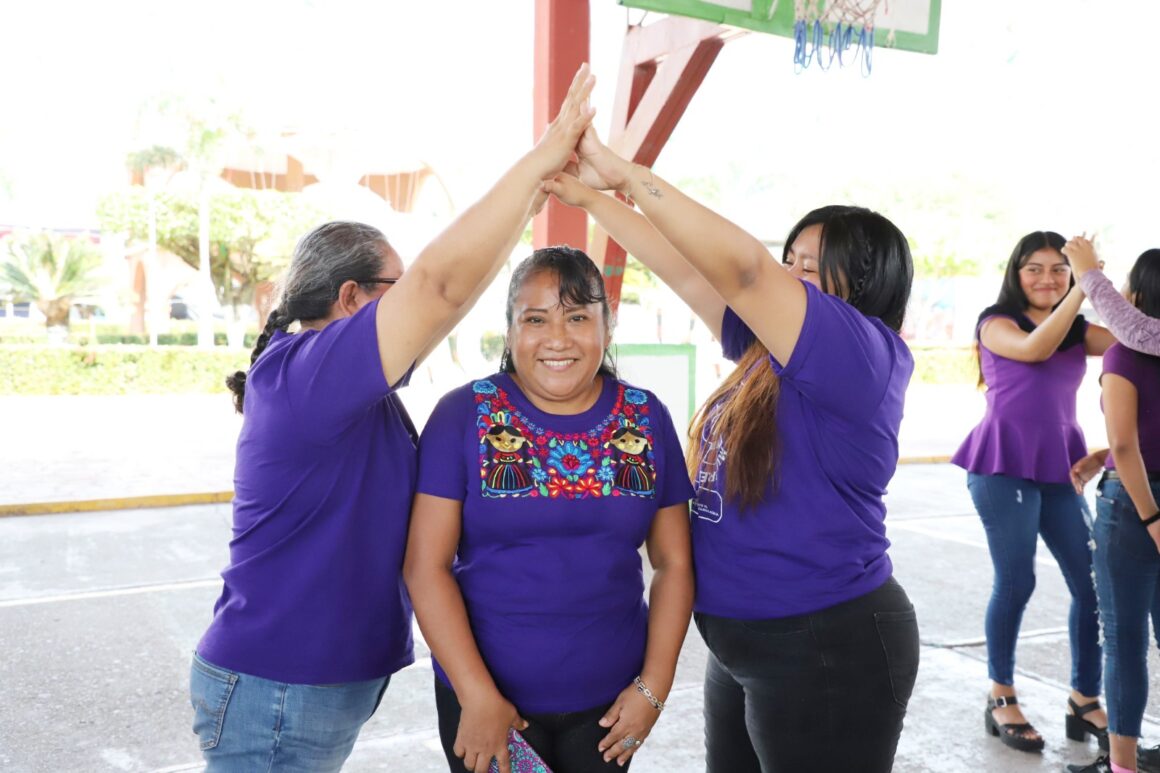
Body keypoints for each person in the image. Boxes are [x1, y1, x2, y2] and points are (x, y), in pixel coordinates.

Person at [187, 65, 597, 771]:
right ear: (351, 298)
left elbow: (449, 300)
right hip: (275, 692)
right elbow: (440, 288)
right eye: (394, 291)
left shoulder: (346, 386)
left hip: (302, 689)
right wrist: (537, 162)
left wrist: (531, 201)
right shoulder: (309, 376)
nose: (412, 306)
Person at [542, 127, 920, 772]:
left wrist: (629, 175)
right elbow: (687, 270)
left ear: (864, 281)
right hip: (744, 643)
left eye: (809, 264)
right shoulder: (770, 348)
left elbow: (743, 270)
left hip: (824, 641)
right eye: (788, 258)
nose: (789, 274)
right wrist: (592, 198)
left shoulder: (858, 352)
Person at [403, 246, 694, 773]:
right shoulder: (463, 414)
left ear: (607, 326)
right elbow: (425, 567)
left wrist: (654, 688)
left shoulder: (645, 417)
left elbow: (674, 563)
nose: (557, 339)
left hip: (610, 710)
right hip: (488, 705)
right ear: (510, 331)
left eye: (577, 317)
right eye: (535, 319)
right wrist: (476, 695)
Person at [951, 231, 1115, 754]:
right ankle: (1000, 696)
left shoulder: (1078, 330)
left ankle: (1084, 699)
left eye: (1060, 269)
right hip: (1002, 466)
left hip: (1060, 469)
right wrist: (1083, 284)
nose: (1048, 278)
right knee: (1017, 580)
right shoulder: (996, 323)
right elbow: (1034, 348)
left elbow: (1141, 341)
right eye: (1035, 269)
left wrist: (1109, 451)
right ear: (1016, 273)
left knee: (1095, 585)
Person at [1067, 249, 1160, 773]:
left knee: (1124, 640)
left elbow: (1126, 446)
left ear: (1139, 294)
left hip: (1132, 506)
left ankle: (1123, 765)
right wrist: (1101, 454)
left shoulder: (1124, 356)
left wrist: (1152, 519)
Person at [1064, 236, 1160, 356]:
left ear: (1139, 297)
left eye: (1127, 280)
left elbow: (1137, 330)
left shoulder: (1120, 356)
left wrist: (1088, 273)